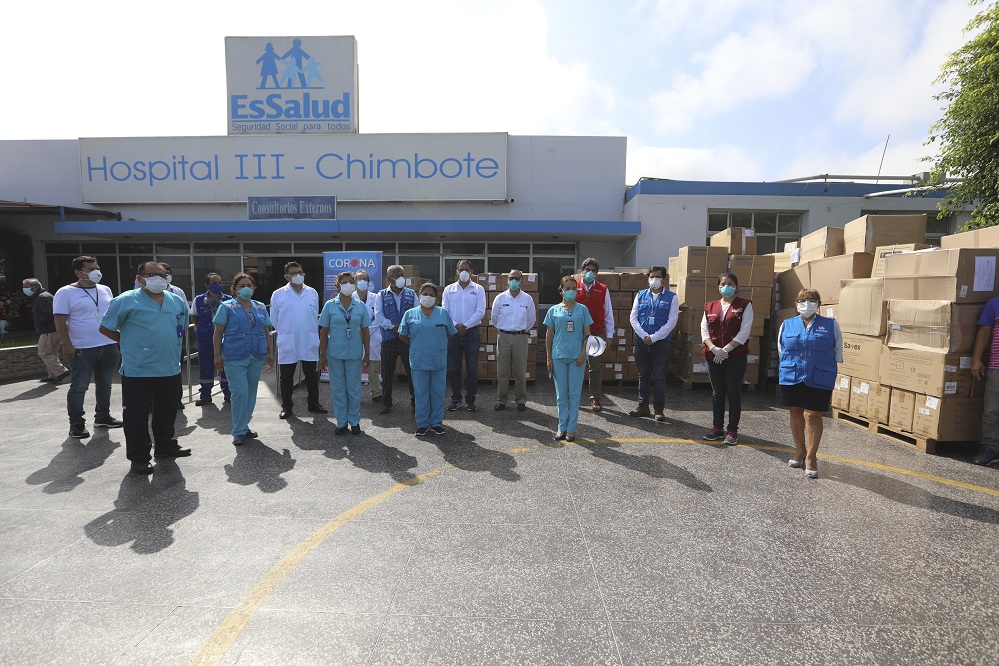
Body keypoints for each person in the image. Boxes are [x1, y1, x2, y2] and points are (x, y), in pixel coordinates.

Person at [99, 261, 191, 474]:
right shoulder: (125, 300)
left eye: (162, 275)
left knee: (167, 411)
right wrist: (126, 341)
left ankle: (165, 445)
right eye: (152, 275)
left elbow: (182, 327)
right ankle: (139, 456)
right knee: (137, 415)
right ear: (139, 279)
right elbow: (105, 327)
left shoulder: (176, 300)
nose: (158, 278)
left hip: (170, 366)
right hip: (138, 368)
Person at [53, 256, 122, 439]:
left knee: (105, 385)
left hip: (108, 345)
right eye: (90, 269)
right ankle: (76, 424)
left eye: (97, 268)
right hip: (82, 348)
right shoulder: (65, 292)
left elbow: (111, 315)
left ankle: (102, 416)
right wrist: (67, 344)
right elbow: (59, 320)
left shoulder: (105, 289)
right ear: (78, 272)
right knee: (79, 386)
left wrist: (116, 339)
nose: (96, 272)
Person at [778, 288, 843, 480]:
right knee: (795, 411)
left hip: (819, 375)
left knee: (813, 415)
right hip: (793, 374)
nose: (807, 304)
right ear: (796, 304)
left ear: (819, 304)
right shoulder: (787, 324)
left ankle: (811, 457)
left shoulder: (830, 325)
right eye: (803, 300)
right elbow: (782, 350)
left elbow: (837, 352)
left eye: (812, 300)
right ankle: (800, 451)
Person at [212, 273, 274, 446]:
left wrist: (270, 351)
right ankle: (238, 431)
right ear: (235, 289)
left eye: (249, 285)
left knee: (251, 393)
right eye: (241, 286)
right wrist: (217, 355)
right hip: (234, 356)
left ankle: (244, 425)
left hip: (256, 354)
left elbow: (266, 329)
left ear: (253, 288)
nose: (246, 288)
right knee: (240, 393)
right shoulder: (226, 307)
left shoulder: (260, 307)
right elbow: (218, 332)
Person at [701, 273, 754, 445]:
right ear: (718, 287)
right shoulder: (710, 306)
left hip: (735, 357)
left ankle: (732, 430)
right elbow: (704, 331)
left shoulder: (745, 305)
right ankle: (717, 428)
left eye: (730, 284)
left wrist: (726, 350)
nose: (727, 287)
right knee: (717, 393)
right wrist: (714, 349)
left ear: (736, 286)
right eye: (723, 284)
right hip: (713, 356)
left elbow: (744, 332)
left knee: (733, 393)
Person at [399, 283, 457, 436]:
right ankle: (422, 423)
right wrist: (416, 345)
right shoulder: (410, 314)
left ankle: (436, 423)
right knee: (421, 394)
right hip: (419, 360)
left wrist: (439, 344)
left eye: (432, 295)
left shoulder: (443, 313)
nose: (428, 297)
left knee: (438, 393)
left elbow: (451, 333)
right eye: (425, 294)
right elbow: (402, 335)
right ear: (419, 296)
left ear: (436, 298)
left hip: (438, 359)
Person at [270, 261, 326, 419]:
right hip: (289, 340)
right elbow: (274, 319)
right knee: (286, 377)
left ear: (304, 274)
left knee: (311, 375)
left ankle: (313, 403)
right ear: (286, 276)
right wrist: (287, 331)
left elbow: (314, 315)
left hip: (308, 340)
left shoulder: (312, 292)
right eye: (293, 273)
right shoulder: (278, 294)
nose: (298, 276)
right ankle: (287, 407)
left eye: (300, 272)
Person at [319, 271, 370, 435]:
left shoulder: (360, 306)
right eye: (344, 282)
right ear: (337, 285)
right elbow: (323, 330)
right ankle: (341, 422)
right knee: (338, 389)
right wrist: (322, 355)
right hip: (334, 353)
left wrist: (367, 353)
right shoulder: (330, 305)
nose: (348, 285)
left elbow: (365, 331)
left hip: (354, 353)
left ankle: (354, 421)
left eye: (351, 282)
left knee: (354, 389)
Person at [545, 276, 593, 442]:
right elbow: (549, 335)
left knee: (574, 394)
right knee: (561, 395)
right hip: (558, 356)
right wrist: (548, 358)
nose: (571, 291)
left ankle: (571, 429)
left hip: (577, 357)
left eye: (574, 288)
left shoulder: (583, 310)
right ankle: (561, 427)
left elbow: (587, 334)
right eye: (567, 288)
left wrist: (583, 354)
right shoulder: (553, 310)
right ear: (561, 290)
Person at [628, 265, 678, 422]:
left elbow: (672, 321)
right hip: (642, 342)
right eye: (651, 276)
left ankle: (659, 409)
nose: (654, 279)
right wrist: (644, 336)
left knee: (659, 377)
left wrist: (654, 337)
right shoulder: (641, 295)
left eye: (657, 276)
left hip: (661, 344)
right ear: (648, 278)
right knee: (643, 376)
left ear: (663, 278)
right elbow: (633, 318)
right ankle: (642, 406)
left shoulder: (672, 297)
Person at [442, 260, 486, 412]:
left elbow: (480, 311)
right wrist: (456, 325)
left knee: (472, 369)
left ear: (472, 271)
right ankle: (456, 399)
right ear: (456, 272)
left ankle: (470, 400)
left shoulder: (478, 289)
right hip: (453, 334)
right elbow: (445, 310)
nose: (464, 272)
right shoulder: (449, 289)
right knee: (454, 369)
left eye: (467, 269)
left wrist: (466, 326)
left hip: (472, 333)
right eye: (461, 269)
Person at [491, 269, 536, 412]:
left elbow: (531, 319)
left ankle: (521, 400)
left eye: (517, 278)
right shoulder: (500, 298)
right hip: (504, 337)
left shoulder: (527, 299)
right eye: (511, 278)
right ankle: (501, 400)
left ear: (521, 280)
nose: (514, 281)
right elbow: (494, 318)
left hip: (520, 337)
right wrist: (505, 330)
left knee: (520, 372)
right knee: (502, 372)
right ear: (507, 280)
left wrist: (520, 331)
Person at [374, 264, 417, 414]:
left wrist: (404, 328)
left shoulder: (411, 294)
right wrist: (393, 326)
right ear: (389, 278)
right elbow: (378, 315)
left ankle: (415, 401)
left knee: (412, 371)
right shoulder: (381, 295)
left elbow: (416, 313)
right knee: (387, 373)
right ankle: (386, 402)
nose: (400, 278)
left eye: (402, 275)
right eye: (397, 275)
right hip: (389, 339)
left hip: (407, 339)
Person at [575, 257, 614, 412]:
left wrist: (609, 335)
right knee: (575, 365)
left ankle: (595, 398)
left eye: (593, 270)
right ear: (582, 271)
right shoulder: (574, 286)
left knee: (594, 368)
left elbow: (608, 313)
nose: (590, 273)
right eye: (588, 270)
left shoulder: (603, 289)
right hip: (576, 333)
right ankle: (574, 397)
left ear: (597, 273)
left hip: (595, 332)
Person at [190, 273, 232, 405]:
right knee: (206, 367)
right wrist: (205, 329)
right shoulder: (199, 300)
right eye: (214, 283)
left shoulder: (228, 300)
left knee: (226, 367)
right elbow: (194, 318)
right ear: (207, 285)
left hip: (225, 339)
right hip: (206, 339)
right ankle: (205, 395)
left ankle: (228, 393)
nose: (218, 285)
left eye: (220, 283)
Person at [22, 277, 69, 382]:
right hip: (53, 329)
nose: (24, 289)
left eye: (26, 287)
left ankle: (61, 372)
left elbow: (50, 312)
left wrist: (42, 323)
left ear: (35, 287)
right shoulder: (43, 296)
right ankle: (53, 375)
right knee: (52, 352)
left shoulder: (42, 297)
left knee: (44, 352)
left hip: (48, 330)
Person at [971, 294, 999, 466]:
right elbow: (984, 332)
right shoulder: (994, 304)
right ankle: (991, 447)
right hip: (997, 367)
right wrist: (976, 359)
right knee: (992, 410)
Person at [353, 269, 382, 403]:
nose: (362, 281)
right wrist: (359, 331)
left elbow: (378, 318)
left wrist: (365, 331)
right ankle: (354, 395)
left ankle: (376, 393)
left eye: (365, 279)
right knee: (353, 369)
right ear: (355, 282)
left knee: (373, 369)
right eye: (359, 279)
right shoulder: (350, 298)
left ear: (369, 282)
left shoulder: (376, 297)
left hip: (373, 337)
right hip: (354, 338)